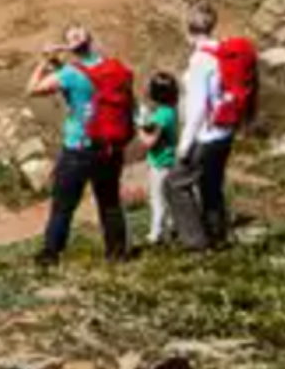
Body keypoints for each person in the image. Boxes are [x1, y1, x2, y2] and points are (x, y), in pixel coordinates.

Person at [27, 23, 133, 266]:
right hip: (109, 147)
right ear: (91, 41)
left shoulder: (69, 75)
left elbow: (32, 89)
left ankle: (51, 254)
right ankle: (117, 254)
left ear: (70, 47)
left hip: (79, 148)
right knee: (109, 203)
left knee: (63, 206)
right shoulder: (113, 68)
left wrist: (44, 61)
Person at [167, 0, 247, 250]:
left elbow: (198, 107)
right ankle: (218, 237)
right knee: (210, 185)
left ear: (187, 29)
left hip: (206, 136)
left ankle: (196, 242)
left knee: (174, 184)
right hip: (225, 131)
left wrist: (183, 145)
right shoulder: (222, 50)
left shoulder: (201, 61)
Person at [137, 71, 180, 246]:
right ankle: (172, 227)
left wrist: (139, 124)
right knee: (168, 197)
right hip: (169, 160)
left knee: (157, 199)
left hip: (161, 163)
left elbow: (149, 142)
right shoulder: (170, 111)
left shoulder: (161, 115)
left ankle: (155, 235)